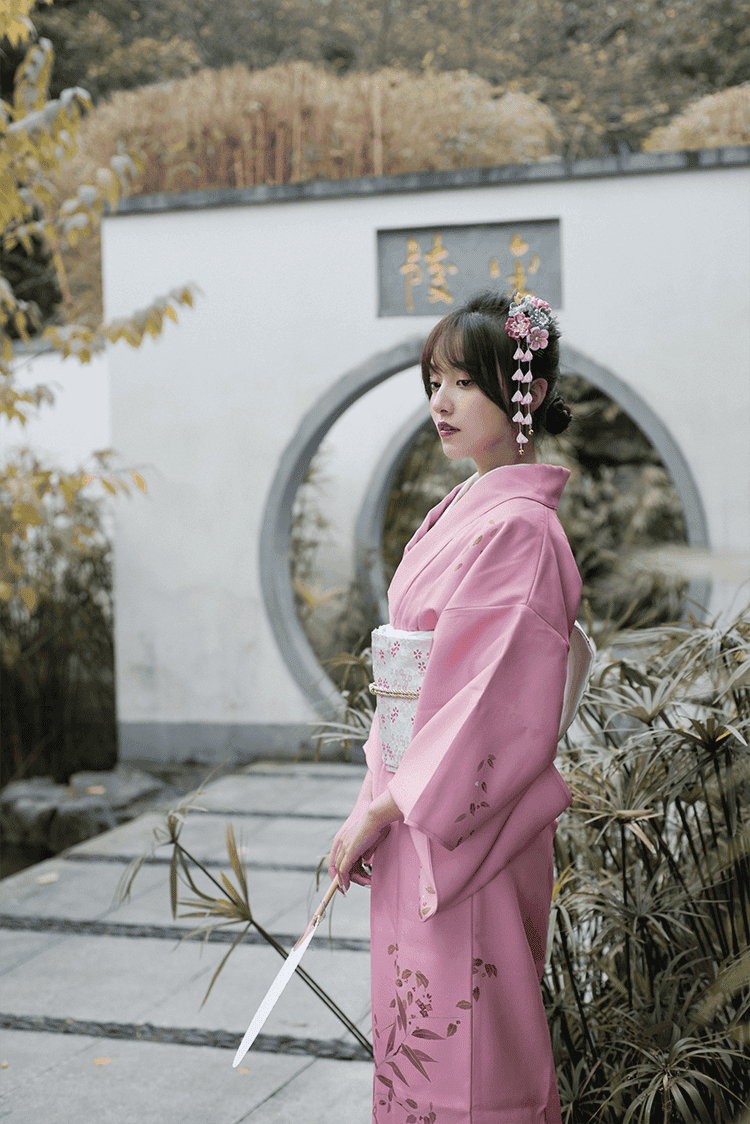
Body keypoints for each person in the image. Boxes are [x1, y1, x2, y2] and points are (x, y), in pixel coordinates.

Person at [327, 289, 581, 1124]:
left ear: (524, 394)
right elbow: (407, 692)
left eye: (461, 382)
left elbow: (488, 700)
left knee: (477, 1046)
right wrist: (375, 802)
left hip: (468, 822)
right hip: (413, 816)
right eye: (431, 381)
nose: (438, 402)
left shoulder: (519, 528)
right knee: (419, 1036)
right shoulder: (456, 515)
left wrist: (393, 802)